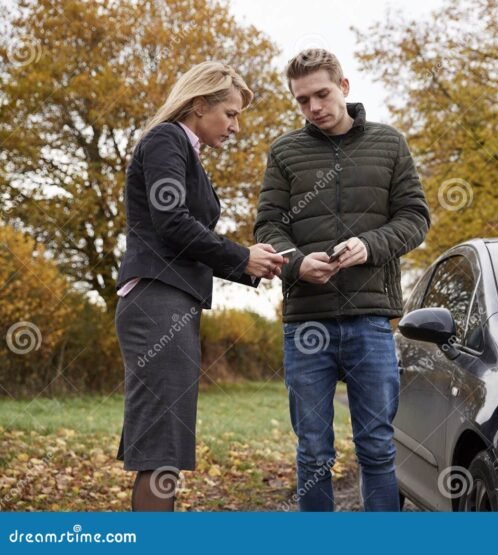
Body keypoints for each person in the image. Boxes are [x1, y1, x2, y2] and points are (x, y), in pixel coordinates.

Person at [255, 49, 430, 511]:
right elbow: (268, 227)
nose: (314, 107)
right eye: (302, 100)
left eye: (322, 94)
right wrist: (296, 263)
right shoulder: (285, 152)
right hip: (306, 322)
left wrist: (370, 244)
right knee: (313, 452)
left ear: (345, 87)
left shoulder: (389, 144)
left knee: (376, 447)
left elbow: (415, 218)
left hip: (370, 319)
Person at [115, 61, 287, 511]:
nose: (236, 126)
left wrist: (254, 266)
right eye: (229, 114)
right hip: (157, 302)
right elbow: (172, 223)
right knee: (161, 448)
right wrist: (240, 256)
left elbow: (185, 241)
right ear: (197, 106)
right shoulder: (166, 139)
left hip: (172, 300)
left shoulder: (185, 152)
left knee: (165, 444)